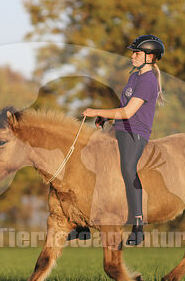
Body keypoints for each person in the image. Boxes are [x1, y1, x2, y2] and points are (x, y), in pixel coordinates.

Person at [67, 34, 165, 246]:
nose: (132, 56)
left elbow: (129, 112)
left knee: (128, 169)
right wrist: (106, 117)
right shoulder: (135, 76)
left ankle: (138, 227)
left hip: (135, 133)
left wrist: (96, 111)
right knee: (87, 161)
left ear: (149, 57)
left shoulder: (148, 80)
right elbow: (123, 109)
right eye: (133, 53)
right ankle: (82, 226)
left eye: (136, 53)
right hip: (119, 128)